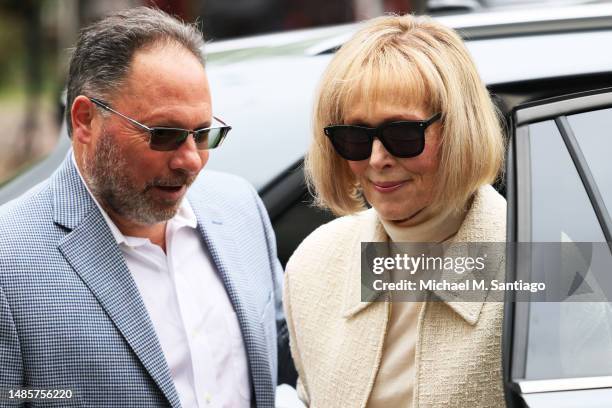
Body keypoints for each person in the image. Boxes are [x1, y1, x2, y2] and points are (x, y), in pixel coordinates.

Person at [0, 7, 291, 407]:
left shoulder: (240, 209)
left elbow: (288, 356)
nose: (190, 160)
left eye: (203, 133)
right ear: (85, 120)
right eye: (165, 134)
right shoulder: (9, 259)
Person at [283, 14, 506, 407]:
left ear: (459, 128)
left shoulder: (545, 263)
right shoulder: (316, 264)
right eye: (354, 137)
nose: (377, 158)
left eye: (403, 133)